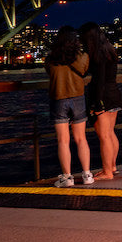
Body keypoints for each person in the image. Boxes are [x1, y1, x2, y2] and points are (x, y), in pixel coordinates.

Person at [45, 26, 92, 187]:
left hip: (58, 99)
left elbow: (49, 73)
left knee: (63, 141)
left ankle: (67, 177)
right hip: (78, 98)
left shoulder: (51, 58)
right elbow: (85, 71)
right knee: (81, 138)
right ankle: (87, 174)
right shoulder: (82, 56)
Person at [79, 23, 122, 180]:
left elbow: (99, 81)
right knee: (110, 133)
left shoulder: (98, 56)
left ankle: (107, 172)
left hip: (102, 97)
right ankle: (112, 166)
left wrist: (96, 104)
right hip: (114, 94)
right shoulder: (110, 51)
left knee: (104, 136)